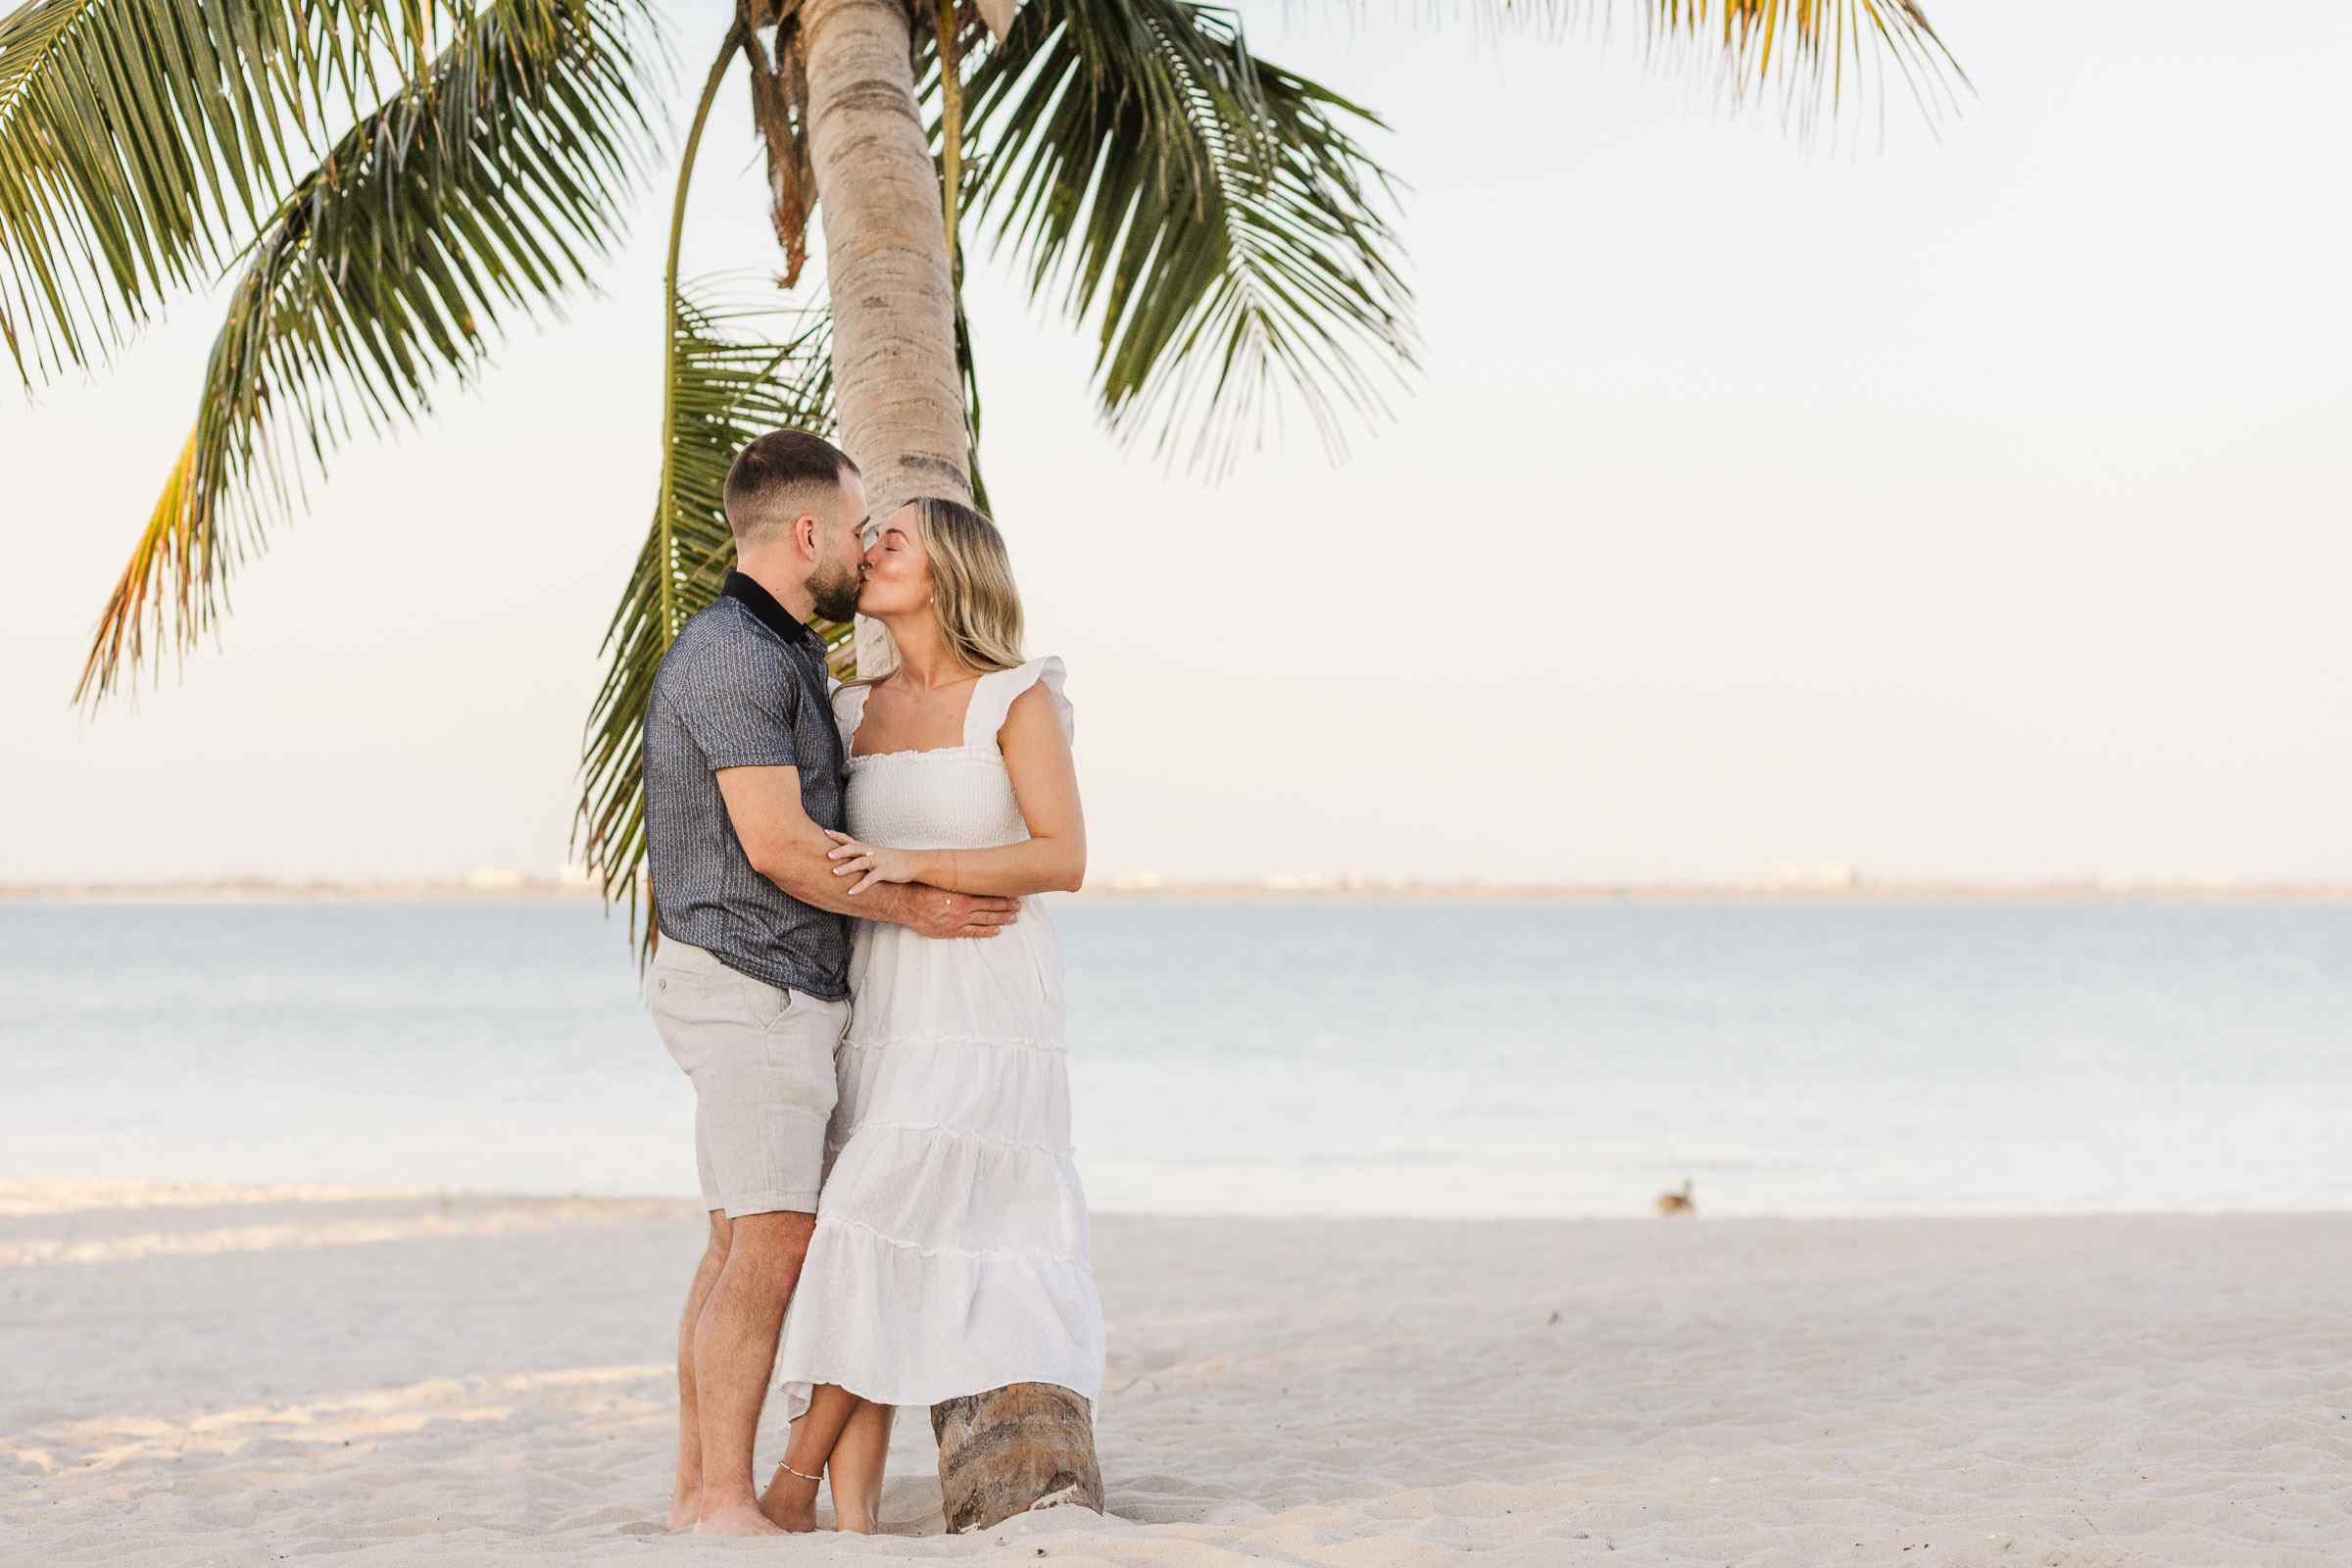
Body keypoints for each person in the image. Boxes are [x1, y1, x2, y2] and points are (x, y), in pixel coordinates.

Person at [641, 432, 1019, 1537]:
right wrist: (924, 909)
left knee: (739, 1242)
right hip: (751, 987)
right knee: (770, 1243)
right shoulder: (734, 657)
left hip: (762, 987)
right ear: (808, 533)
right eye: (857, 528)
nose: (865, 547)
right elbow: (778, 846)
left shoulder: (783, 650)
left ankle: (696, 1495)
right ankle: (724, 1501)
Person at [760, 496, 1106, 1535]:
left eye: (892, 539)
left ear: (949, 569)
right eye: (869, 536)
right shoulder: (848, 707)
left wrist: (917, 863)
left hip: (988, 998)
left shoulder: (1015, 698)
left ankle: (790, 1488)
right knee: (877, 1234)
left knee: (874, 1212)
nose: (868, 550)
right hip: (885, 998)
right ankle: (854, 1528)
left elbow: (1062, 856)